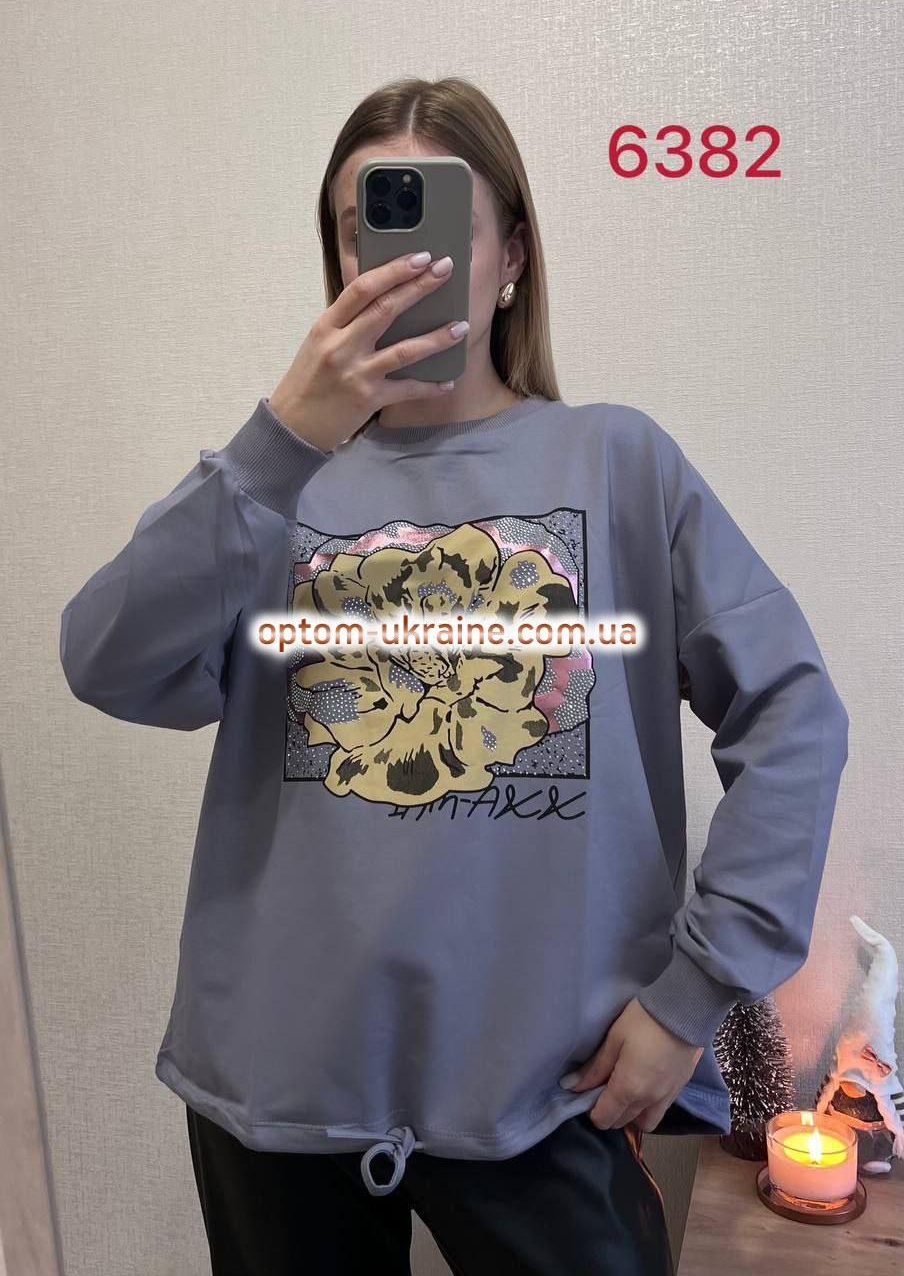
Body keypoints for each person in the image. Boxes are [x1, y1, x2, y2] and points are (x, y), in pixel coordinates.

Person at [59, 76, 849, 1275]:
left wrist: (691, 994)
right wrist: (279, 437)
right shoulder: (267, 491)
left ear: (512, 255)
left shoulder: (618, 463)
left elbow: (792, 714)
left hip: (558, 1086)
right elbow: (105, 658)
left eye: (441, 223)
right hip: (281, 1091)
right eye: (361, 228)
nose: (401, 262)